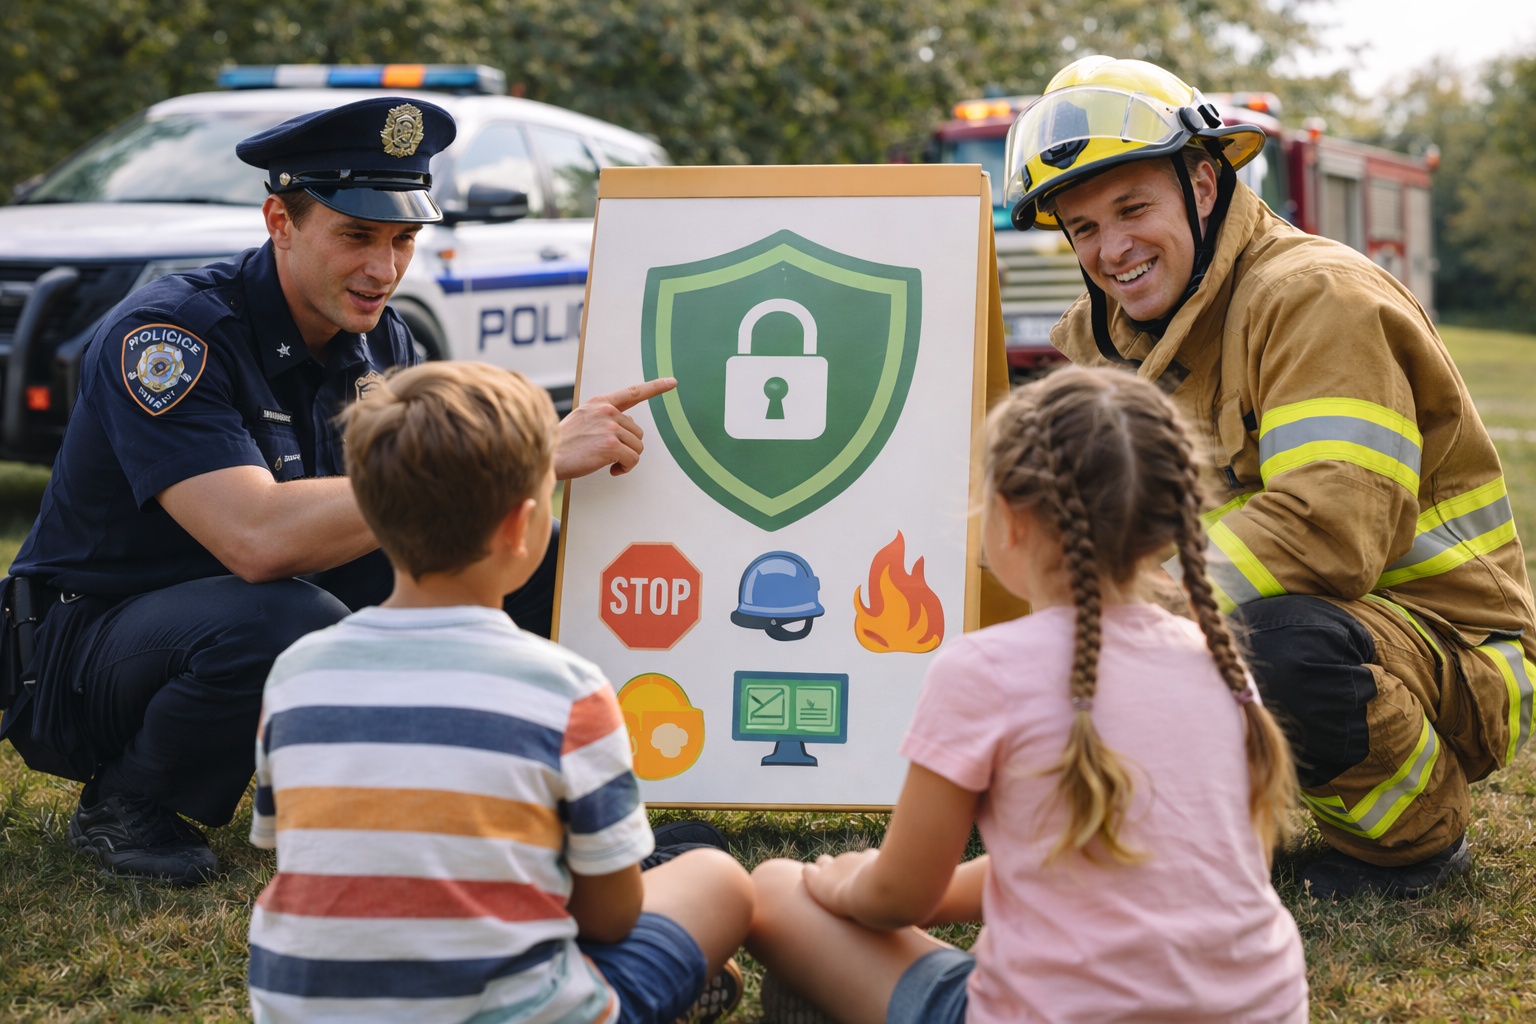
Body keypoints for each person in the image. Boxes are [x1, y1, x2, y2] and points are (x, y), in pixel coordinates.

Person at [0, 95, 675, 885]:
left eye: (403, 240)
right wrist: (526, 454)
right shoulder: (174, 336)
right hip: (89, 658)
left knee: (526, 559)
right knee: (286, 616)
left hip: (256, 614)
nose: (383, 269)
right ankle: (127, 802)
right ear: (279, 221)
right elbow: (258, 540)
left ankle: (526, 784)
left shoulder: (383, 338)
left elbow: (433, 514)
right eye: (356, 236)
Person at [1002, 55, 1535, 898]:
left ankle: (1412, 836)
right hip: (1272, 616)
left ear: (1204, 184)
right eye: (1083, 228)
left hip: (1446, 653)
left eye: (1133, 208)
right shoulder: (1101, 340)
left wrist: (1117, 603)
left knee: (1278, 652)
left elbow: (1328, 534)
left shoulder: (1318, 299)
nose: (1112, 249)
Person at [746, 367, 1307, 1024]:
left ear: (1008, 518)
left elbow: (898, 895)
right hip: (1263, 1009)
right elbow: (1100, 859)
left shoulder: (983, 670)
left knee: (777, 889)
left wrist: (845, 880)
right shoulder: (1216, 659)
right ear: (1166, 525)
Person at [246, 361, 751, 1024]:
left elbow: (289, 843)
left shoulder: (297, 673)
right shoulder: (568, 689)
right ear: (521, 527)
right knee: (720, 882)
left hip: (307, 1010)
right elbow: (612, 914)